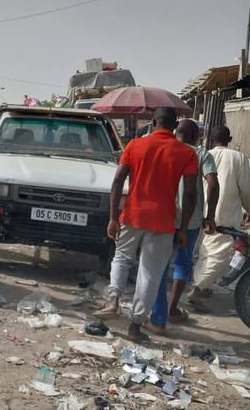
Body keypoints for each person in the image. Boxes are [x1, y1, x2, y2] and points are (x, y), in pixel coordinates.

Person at [96, 107, 198, 342]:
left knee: (121, 257)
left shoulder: (134, 145)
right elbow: (190, 193)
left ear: (153, 122)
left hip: (132, 215)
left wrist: (113, 216)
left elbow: (117, 181)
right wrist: (183, 228)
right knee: (150, 274)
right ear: (174, 126)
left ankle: (113, 300)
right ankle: (135, 326)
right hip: (163, 221)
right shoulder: (186, 153)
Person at [146, 119, 219, 334]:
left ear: (176, 133)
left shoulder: (163, 150)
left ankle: (157, 314)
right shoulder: (202, 154)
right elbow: (213, 184)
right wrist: (210, 216)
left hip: (163, 217)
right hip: (192, 220)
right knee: (182, 263)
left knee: (158, 265)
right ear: (197, 136)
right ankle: (172, 309)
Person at [188, 125, 250, 309]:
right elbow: (248, 188)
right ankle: (197, 289)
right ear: (230, 139)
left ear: (211, 139)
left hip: (199, 212)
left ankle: (204, 286)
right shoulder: (238, 158)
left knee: (206, 250)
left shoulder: (203, 155)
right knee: (219, 254)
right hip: (223, 213)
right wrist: (249, 210)